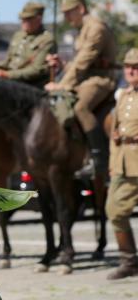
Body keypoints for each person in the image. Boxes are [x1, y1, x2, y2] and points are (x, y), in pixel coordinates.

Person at [45, 0, 117, 175]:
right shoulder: (83, 29)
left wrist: (62, 85)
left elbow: (84, 62)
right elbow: (79, 63)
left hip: (100, 80)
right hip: (85, 79)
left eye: (69, 12)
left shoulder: (96, 28)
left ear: (81, 9)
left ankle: (98, 158)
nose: (66, 17)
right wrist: (61, 65)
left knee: (80, 107)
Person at [105, 48, 138, 280]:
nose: (131, 71)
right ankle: (129, 261)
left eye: (136, 67)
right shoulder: (123, 96)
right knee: (114, 210)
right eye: (128, 67)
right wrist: (112, 162)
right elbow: (114, 133)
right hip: (123, 163)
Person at [0, 2, 56, 87]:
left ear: (39, 19)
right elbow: (7, 62)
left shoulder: (46, 40)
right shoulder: (18, 36)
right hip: (11, 82)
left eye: (28, 19)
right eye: (22, 19)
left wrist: (7, 75)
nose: (23, 22)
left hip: (30, 86)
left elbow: (36, 70)